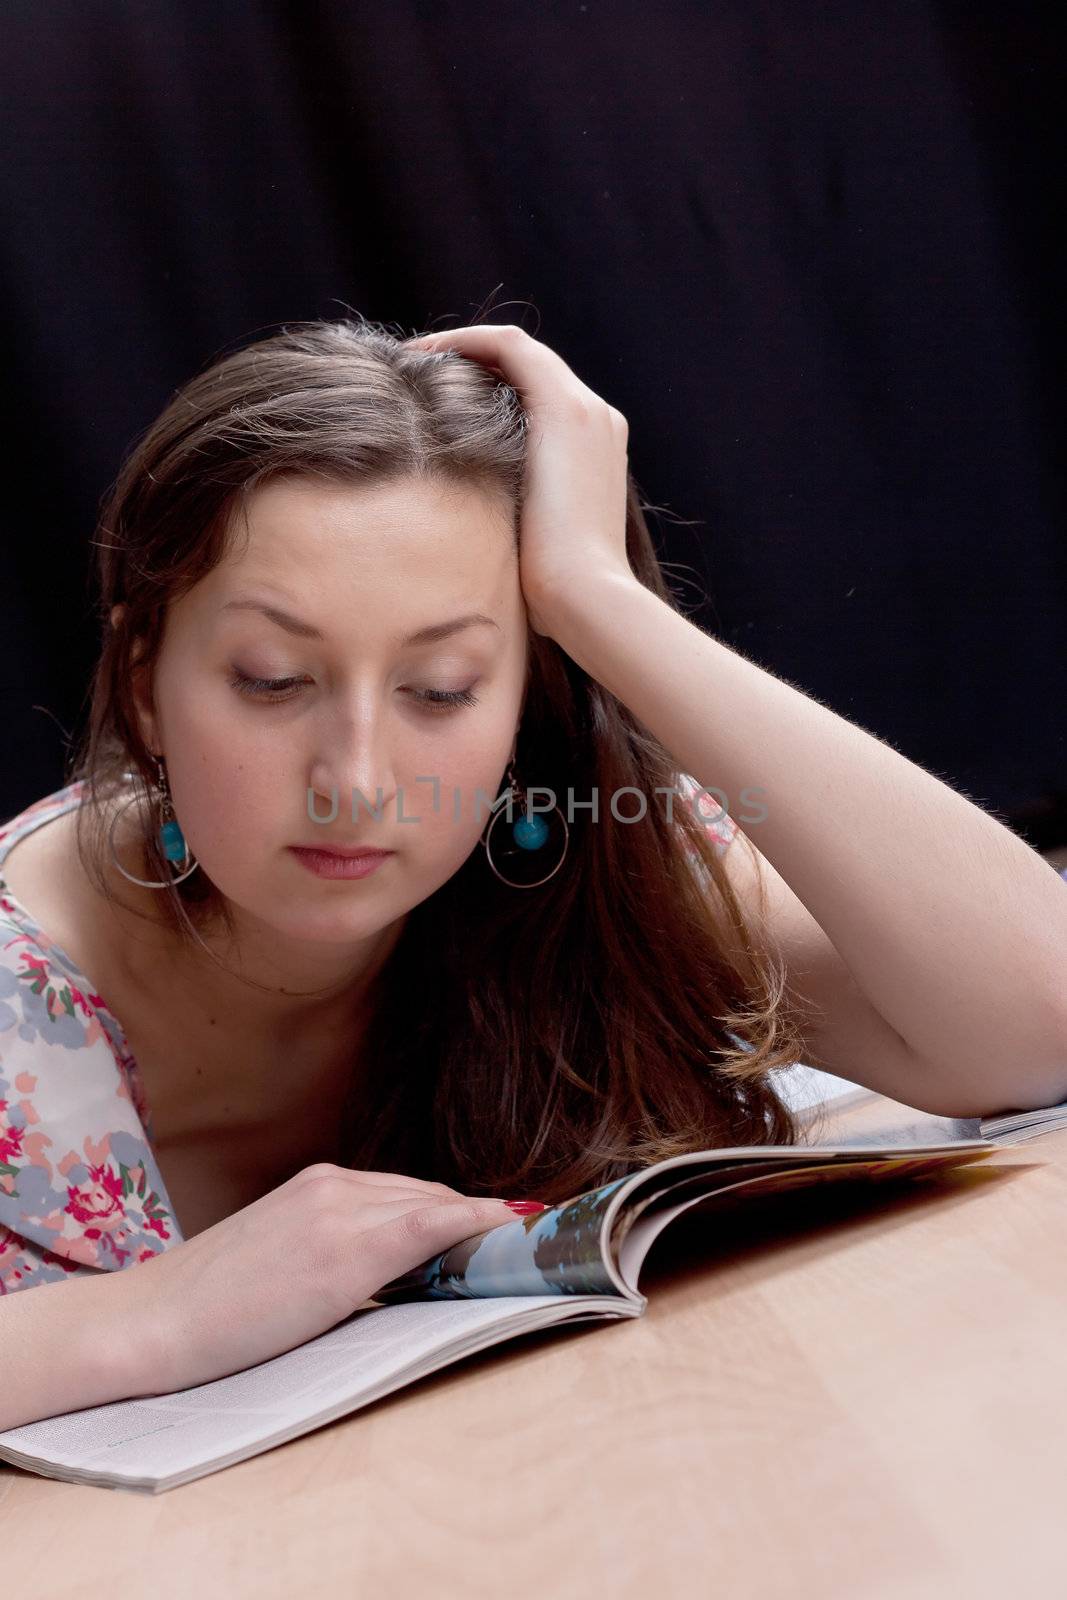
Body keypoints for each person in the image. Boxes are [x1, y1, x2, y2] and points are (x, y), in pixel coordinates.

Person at [0, 314, 811, 1429]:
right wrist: (152, 1316)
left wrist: (599, 597)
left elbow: (1035, 1021)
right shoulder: (17, 997)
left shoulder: (568, 848)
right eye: (274, 678)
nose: (359, 781)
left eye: (439, 688)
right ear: (144, 682)